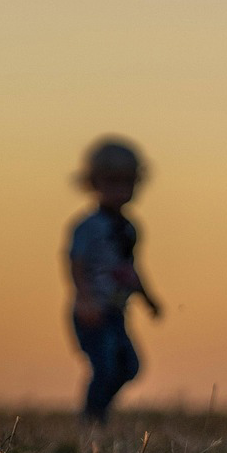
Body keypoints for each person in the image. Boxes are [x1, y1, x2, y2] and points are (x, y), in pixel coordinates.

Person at [65, 137, 162, 424]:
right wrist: (84, 299)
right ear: (93, 183)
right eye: (112, 182)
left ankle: (98, 412)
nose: (120, 190)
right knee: (105, 366)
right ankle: (91, 419)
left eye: (127, 183)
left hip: (116, 312)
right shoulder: (87, 226)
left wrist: (148, 299)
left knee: (129, 367)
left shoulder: (130, 229)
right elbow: (76, 263)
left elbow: (131, 269)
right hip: (92, 312)